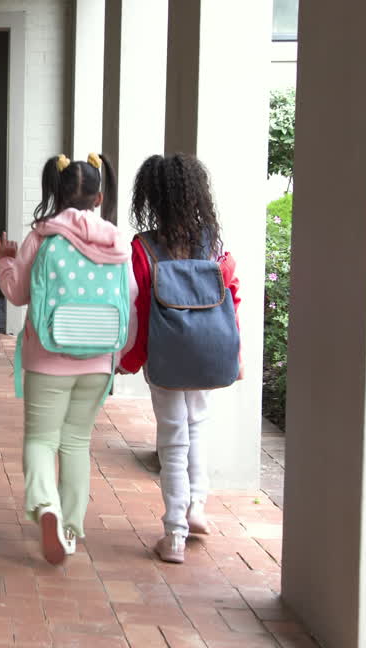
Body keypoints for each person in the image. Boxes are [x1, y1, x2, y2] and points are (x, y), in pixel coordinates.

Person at [0, 153, 136, 565]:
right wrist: (118, 355)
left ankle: (46, 507)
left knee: (41, 439)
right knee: (76, 442)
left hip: (47, 357)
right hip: (98, 359)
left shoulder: (42, 238)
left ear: (56, 193)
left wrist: (6, 258)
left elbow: (18, 294)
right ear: (100, 196)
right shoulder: (117, 241)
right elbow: (129, 299)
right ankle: (70, 528)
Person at [119, 153, 242, 565]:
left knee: (172, 438)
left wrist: (131, 360)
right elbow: (233, 297)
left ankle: (174, 534)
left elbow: (137, 311)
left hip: (168, 358)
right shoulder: (215, 243)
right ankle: (197, 508)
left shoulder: (144, 248)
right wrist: (235, 353)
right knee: (199, 424)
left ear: (151, 198)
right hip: (209, 353)